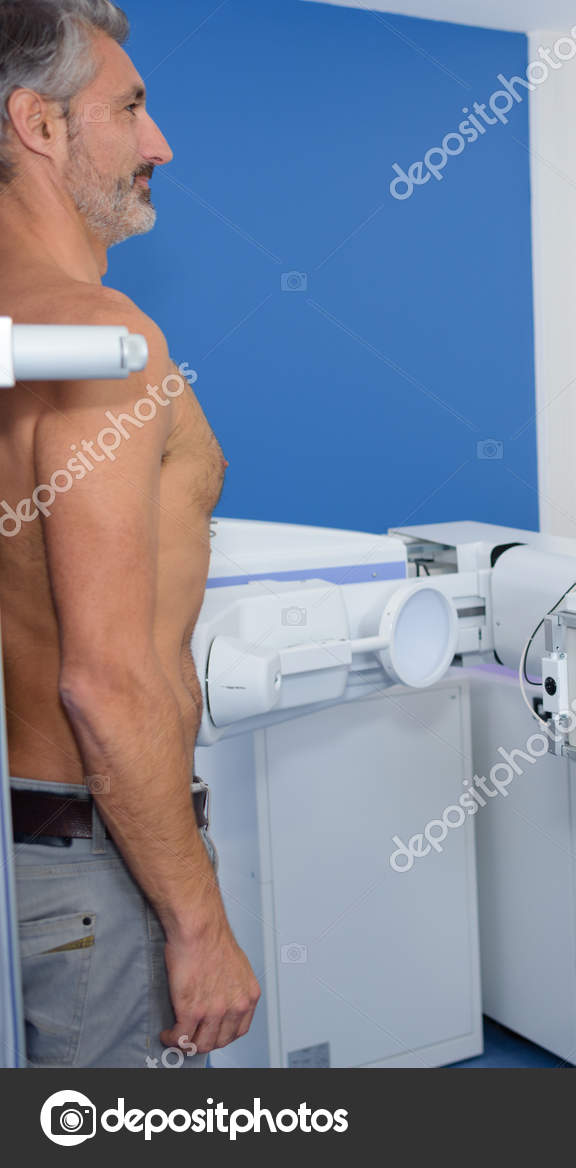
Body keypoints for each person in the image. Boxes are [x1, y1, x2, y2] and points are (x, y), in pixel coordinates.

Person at [0, 0, 258, 1066]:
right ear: (38, 125)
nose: (160, 144)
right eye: (132, 108)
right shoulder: (102, 337)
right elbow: (104, 680)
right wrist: (198, 924)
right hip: (100, 879)